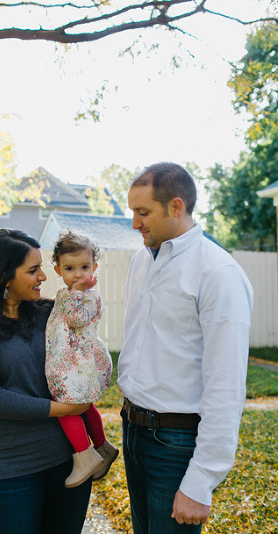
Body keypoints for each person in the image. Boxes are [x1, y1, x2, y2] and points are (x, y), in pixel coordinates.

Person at [119, 162, 254, 533]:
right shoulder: (139, 262)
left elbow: (226, 385)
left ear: (175, 207)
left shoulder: (218, 273)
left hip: (175, 444)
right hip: (133, 430)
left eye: (143, 212)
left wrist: (201, 481)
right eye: (133, 211)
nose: (135, 223)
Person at [0, 228, 92, 534]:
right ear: (4, 276)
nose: (43, 276)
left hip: (67, 462)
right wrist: (65, 409)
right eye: (33, 270)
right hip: (9, 468)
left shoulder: (48, 314)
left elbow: (82, 349)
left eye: (41, 267)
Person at [45, 229, 118, 488]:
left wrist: (76, 291)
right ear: (58, 270)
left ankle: (85, 455)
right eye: (70, 268)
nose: (78, 274)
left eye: (84, 267)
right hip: (75, 362)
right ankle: (103, 446)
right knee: (85, 406)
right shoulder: (69, 294)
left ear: (94, 267)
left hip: (78, 364)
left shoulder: (88, 295)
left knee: (64, 407)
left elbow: (76, 319)